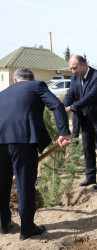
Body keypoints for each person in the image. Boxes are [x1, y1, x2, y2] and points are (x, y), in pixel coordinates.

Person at [0, 68, 71, 240]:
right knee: (24, 186)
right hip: (23, 142)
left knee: (1, 184)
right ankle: (27, 229)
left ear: (15, 80)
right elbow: (56, 105)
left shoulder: (3, 92)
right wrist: (64, 132)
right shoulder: (37, 85)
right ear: (31, 79)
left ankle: (3, 224)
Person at [64, 55, 97, 189]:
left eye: (75, 68)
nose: (73, 71)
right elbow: (70, 94)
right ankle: (90, 176)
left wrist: (72, 107)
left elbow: (90, 97)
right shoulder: (75, 77)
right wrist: (64, 107)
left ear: (84, 65)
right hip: (85, 118)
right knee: (87, 148)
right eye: (71, 69)